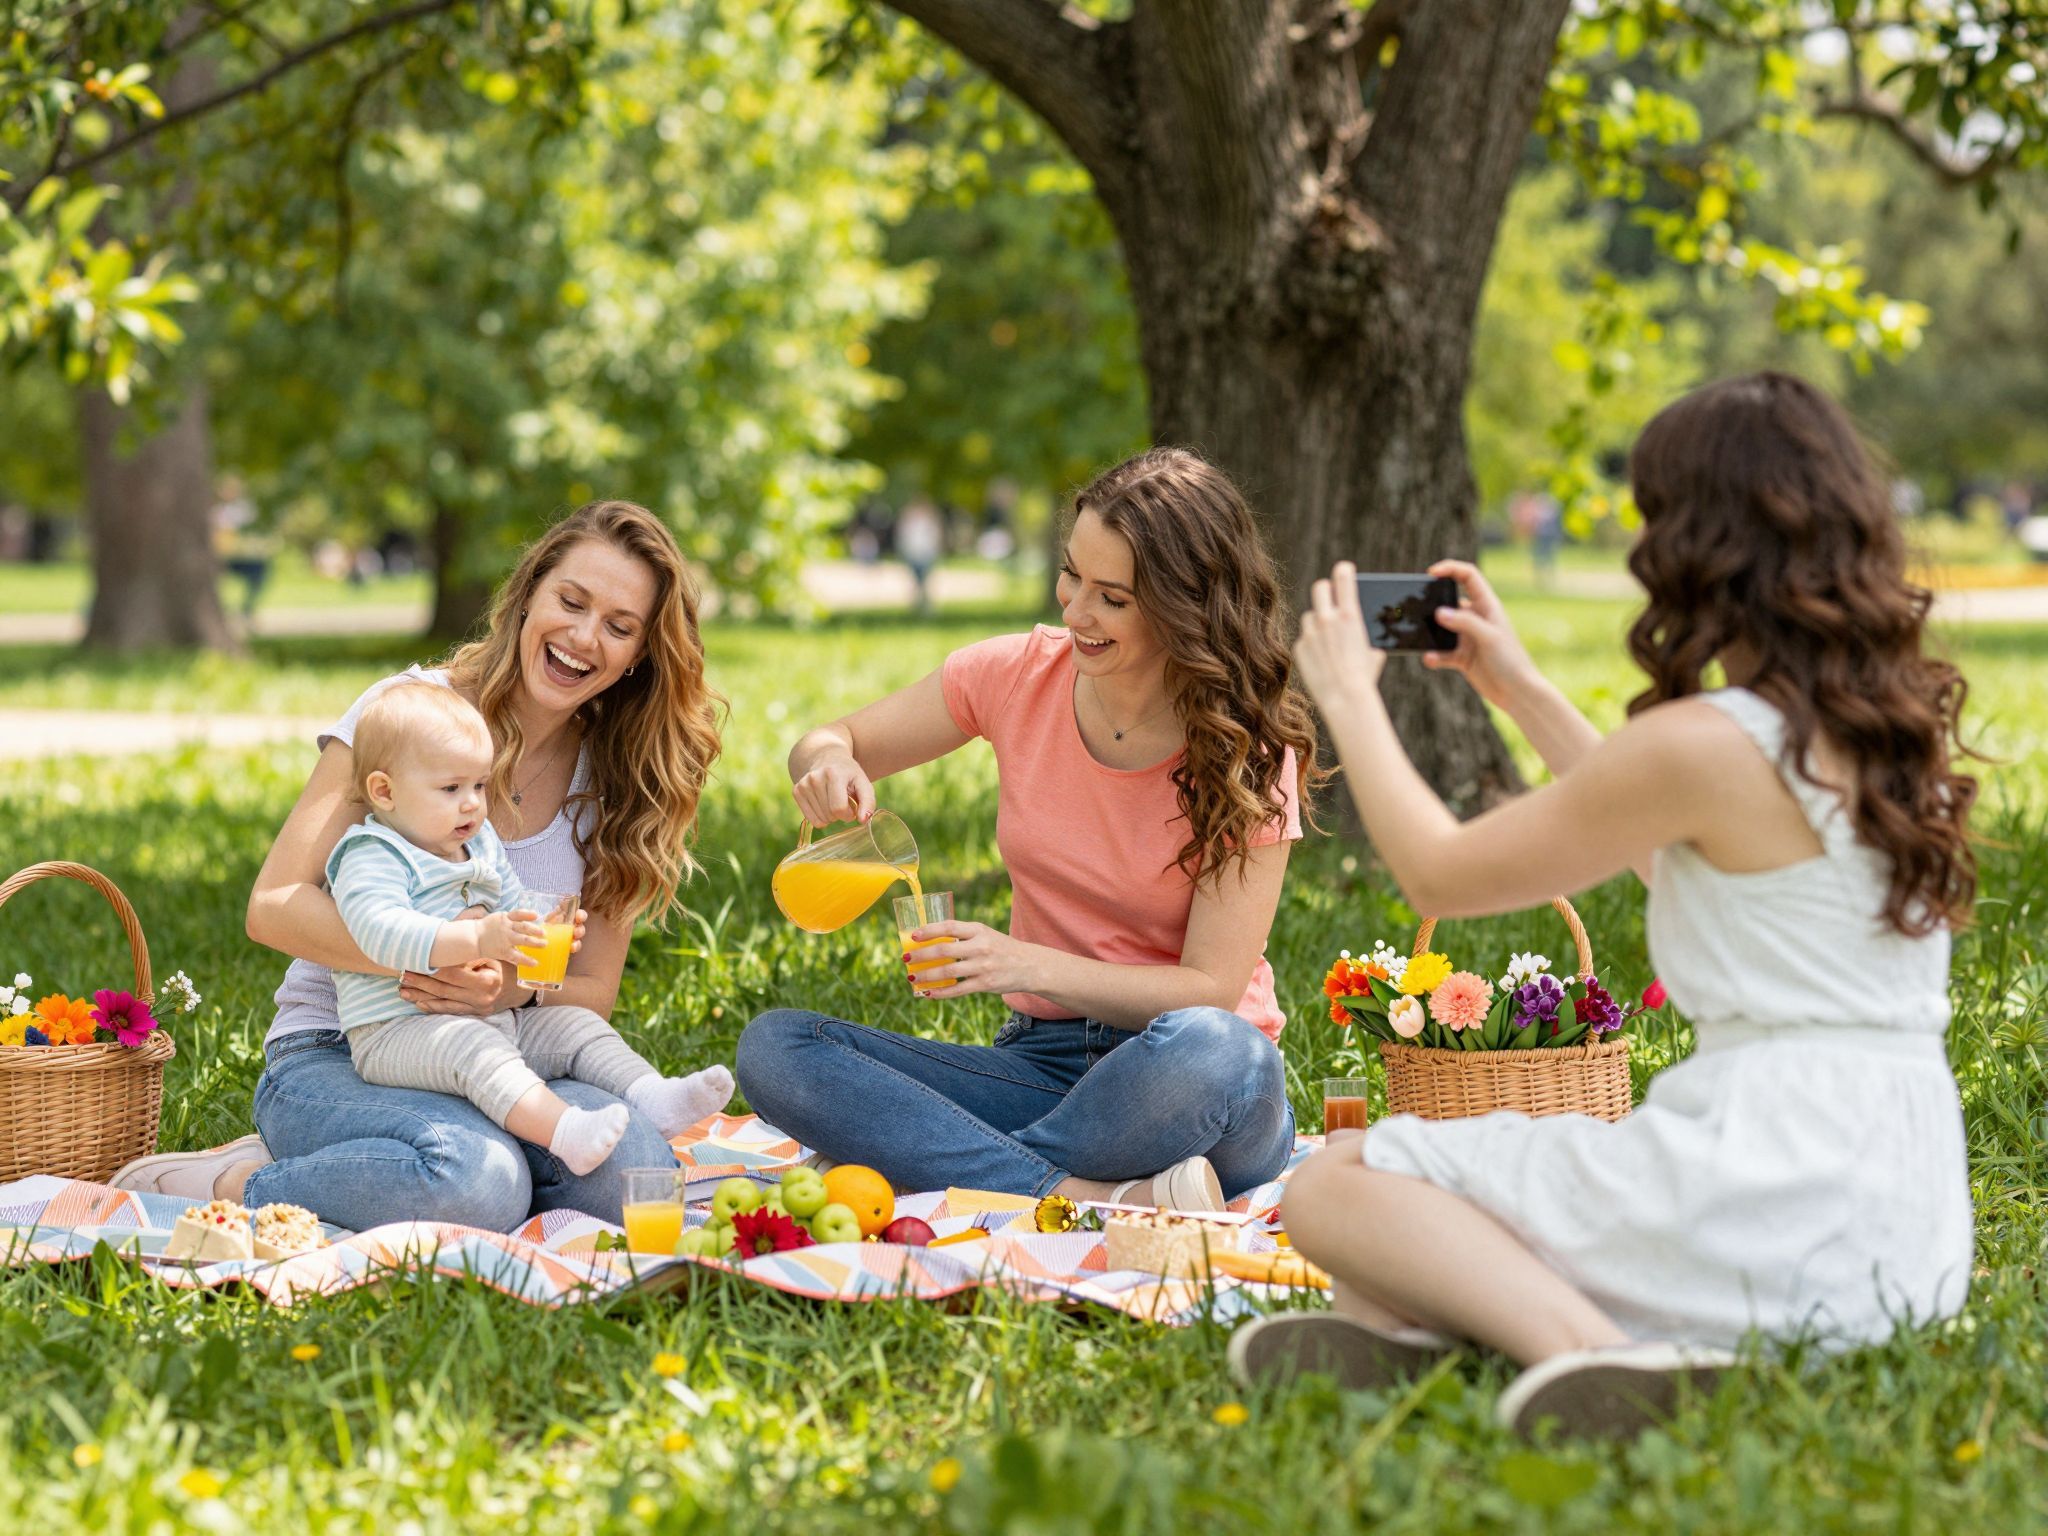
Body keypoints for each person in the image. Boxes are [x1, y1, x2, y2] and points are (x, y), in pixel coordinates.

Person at [1235, 373, 1977, 1438]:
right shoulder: (1882, 730)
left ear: (1694, 544)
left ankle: (1595, 1357)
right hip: (1902, 1235)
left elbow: (1439, 874)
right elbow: (1673, 854)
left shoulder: (1705, 744)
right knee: (1429, 1213)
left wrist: (1349, 696)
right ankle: (1432, 1330)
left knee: (1334, 1186)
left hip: (1768, 1183)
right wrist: (1517, 688)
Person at [112, 500, 726, 1230]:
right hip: (343, 1048)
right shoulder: (407, 714)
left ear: (639, 655)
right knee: (477, 1181)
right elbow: (273, 904)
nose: (584, 636)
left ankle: (408, 1165)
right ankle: (237, 1179)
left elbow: (591, 988)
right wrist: (439, 955)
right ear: (528, 594)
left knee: (636, 1174)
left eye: (619, 627)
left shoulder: (616, 778)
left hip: (509, 1051)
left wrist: (504, 991)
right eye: (570, 601)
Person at [737, 448, 1320, 1210]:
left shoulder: (1246, 752)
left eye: (1113, 598)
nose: (1076, 611)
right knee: (778, 1048)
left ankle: (949, 1162)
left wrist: (1024, 965)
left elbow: (1209, 991)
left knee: (1222, 1050)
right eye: (1072, 574)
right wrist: (827, 765)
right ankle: (1078, 1191)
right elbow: (830, 738)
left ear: (1185, 607)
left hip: (1189, 1086)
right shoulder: (1017, 675)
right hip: (1042, 1071)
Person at [327, 682, 731, 1174]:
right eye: (451, 789)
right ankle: (564, 1131)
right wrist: (477, 939)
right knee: (472, 1050)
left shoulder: (479, 843)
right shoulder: (373, 853)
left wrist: (538, 932)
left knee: (577, 1025)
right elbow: (378, 931)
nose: (472, 804)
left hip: (494, 1019)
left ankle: (652, 1096)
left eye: (479, 786)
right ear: (384, 792)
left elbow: (512, 905)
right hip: (396, 1032)